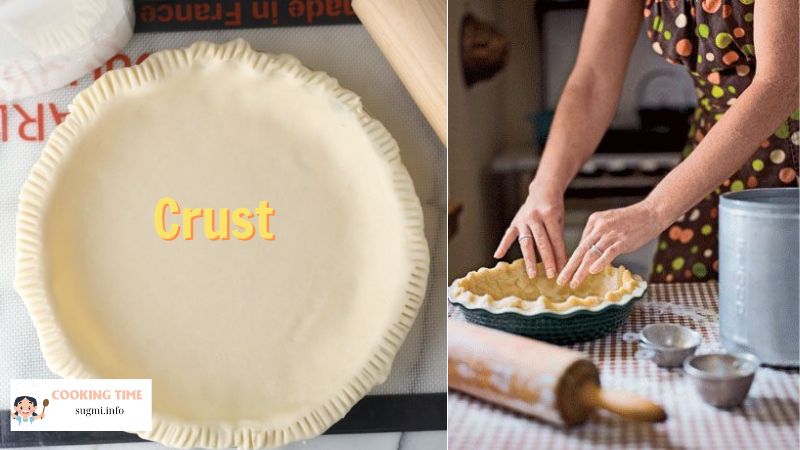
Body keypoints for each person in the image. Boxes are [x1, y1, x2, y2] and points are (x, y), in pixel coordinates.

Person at [494, 0, 798, 286]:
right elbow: (593, 80)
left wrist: (653, 211)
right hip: (711, 165)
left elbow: (780, 83)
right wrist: (545, 187)